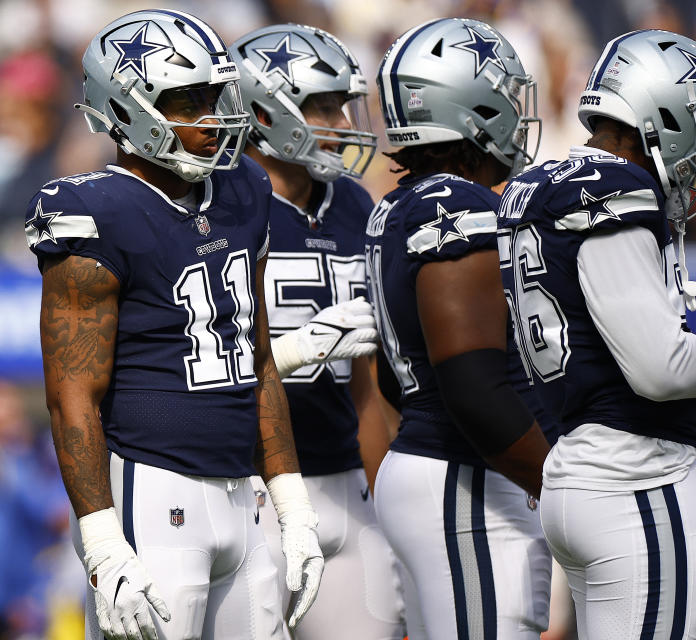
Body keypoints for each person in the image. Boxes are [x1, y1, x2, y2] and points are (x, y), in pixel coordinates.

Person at [27, 10, 324, 640]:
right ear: (127, 109)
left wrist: (294, 506)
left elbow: (258, 358)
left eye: (217, 95)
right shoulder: (93, 211)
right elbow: (72, 394)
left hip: (245, 495)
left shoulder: (243, 188)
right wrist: (103, 541)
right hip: (153, 492)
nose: (213, 117)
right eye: (188, 100)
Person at [498, 29, 696, 637]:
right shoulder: (618, 191)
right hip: (637, 475)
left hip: (583, 470)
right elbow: (662, 370)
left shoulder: (542, 182)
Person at [366, 18, 555, 639]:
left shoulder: (402, 203)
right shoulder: (458, 204)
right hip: (466, 474)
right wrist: (556, 483)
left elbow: (399, 381)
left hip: (437, 470)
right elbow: (472, 384)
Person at [231, 24, 404, 639]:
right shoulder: (219, 207)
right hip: (246, 486)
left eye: (339, 103)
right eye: (321, 105)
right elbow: (191, 364)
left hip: (342, 481)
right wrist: (298, 348)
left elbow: (367, 385)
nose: (338, 120)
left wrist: (381, 495)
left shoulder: (356, 205)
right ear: (262, 110)